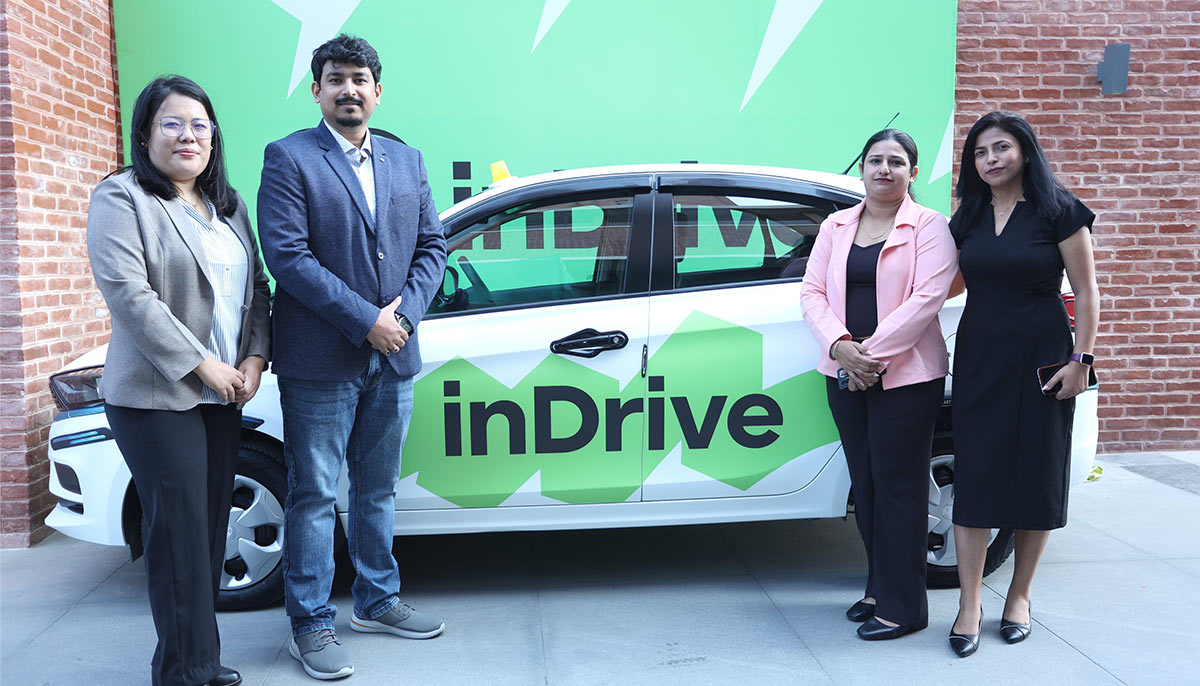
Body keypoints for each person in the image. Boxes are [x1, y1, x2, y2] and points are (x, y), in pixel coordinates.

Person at [257, 34, 448, 680]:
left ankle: (377, 599)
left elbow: (432, 247)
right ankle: (310, 624)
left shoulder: (406, 159)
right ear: (316, 90)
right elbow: (288, 257)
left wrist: (403, 319)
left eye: (359, 79)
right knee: (313, 494)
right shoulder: (289, 158)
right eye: (335, 79)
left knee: (377, 489)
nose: (348, 90)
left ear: (378, 91)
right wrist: (367, 321)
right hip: (320, 361)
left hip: (394, 356)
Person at [86, 75, 271, 686]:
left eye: (199, 124)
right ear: (145, 133)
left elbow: (257, 289)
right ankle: (183, 672)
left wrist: (253, 358)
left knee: (208, 531)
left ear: (213, 136)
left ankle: (196, 662)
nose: (187, 135)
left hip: (224, 391)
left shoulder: (229, 206)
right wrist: (202, 363)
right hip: (156, 395)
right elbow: (130, 296)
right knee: (179, 533)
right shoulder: (123, 197)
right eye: (172, 123)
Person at [947, 111, 1098, 658]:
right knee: (976, 478)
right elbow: (943, 285)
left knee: (1038, 475)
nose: (991, 159)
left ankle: (1019, 597)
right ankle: (969, 604)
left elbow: (1086, 290)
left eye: (1001, 148)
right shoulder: (967, 218)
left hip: (1045, 359)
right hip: (981, 358)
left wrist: (1081, 361)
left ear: (1025, 152)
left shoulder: (1059, 210)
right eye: (980, 152)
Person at [800, 129, 957, 641]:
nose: (884, 169)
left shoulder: (930, 226)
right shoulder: (836, 225)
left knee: (899, 488)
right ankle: (878, 589)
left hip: (908, 376)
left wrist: (869, 357)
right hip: (844, 371)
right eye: (875, 160)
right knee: (864, 485)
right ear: (862, 168)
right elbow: (812, 292)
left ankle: (905, 609)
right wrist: (840, 345)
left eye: (896, 161)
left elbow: (926, 299)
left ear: (913, 173)